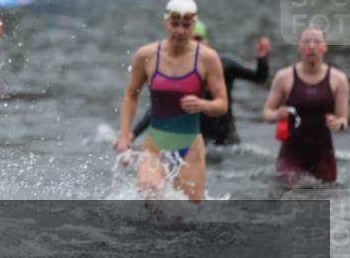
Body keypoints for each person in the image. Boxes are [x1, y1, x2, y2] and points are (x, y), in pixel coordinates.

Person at [116, 0, 228, 202]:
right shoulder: (146, 55)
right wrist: (124, 135)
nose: (180, 31)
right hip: (155, 144)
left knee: (188, 212)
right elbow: (131, 95)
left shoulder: (208, 58)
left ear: (194, 25)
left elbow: (222, 104)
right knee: (150, 195)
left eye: (186, 25)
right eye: (175, 24)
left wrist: (202, 104)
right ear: (166, 22)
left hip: (190, 148)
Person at [131, 20, 271, 146]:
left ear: (206, 42)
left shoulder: (224, 65)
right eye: (191, 39)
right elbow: (159, 108)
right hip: (197, 141)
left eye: (198, 39)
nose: (195, 43)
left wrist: (262, 60)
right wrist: (133, 134)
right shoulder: (179, 73)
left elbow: (259, 78)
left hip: (227, 141)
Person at [263, 27, 348, 186]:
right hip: (291, 155)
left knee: (327, 194)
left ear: (325, 46)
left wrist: (339, 123)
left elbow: (343, 119)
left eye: (317, 42)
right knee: (293, 191)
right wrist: (277, 114)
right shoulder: (284, 77)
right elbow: (267, 112)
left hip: (323, 155)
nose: (311, 46)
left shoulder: (339, 79)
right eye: (306, 42)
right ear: (299, 47)